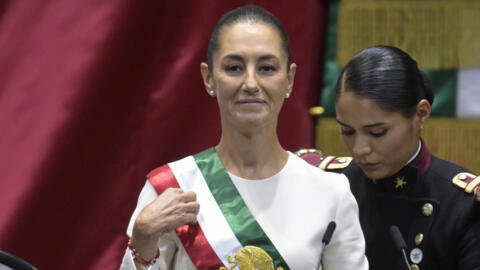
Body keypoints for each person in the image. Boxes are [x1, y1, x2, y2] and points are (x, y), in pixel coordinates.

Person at [120, 5, 368, 270]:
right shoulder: (170, 189)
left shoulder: (331, 192)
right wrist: (143, 239)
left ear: (289, 79)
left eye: (267, 68)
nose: (250, 83)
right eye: (234, 67)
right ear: (209, 78)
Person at [305, 45, 480, 270]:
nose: (359, 149)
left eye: (378, 132)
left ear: (421, 114)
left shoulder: (463, 206)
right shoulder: (324, 183)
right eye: (347, 131)